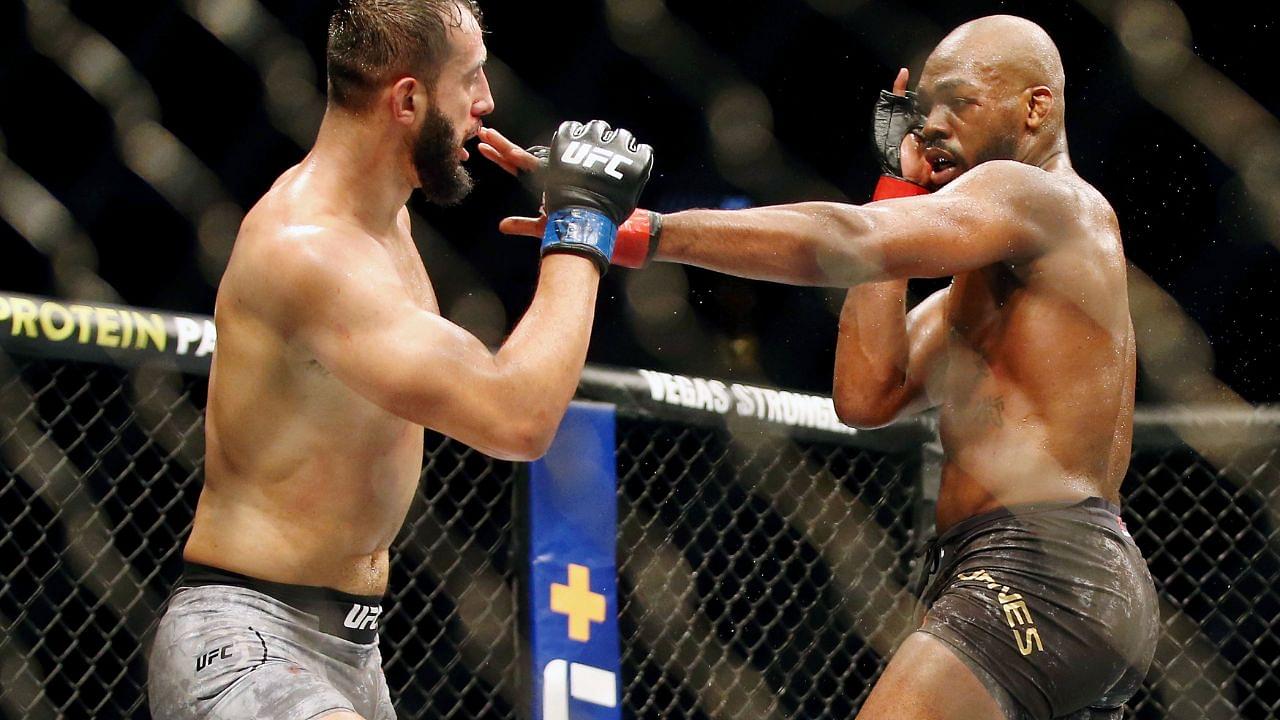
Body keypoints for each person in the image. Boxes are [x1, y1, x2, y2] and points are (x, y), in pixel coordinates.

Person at [488, 15, 1158, 720]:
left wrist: (649, 231)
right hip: (1067, 586)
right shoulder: (984, 295)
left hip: (1035, 571)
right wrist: (896, 191)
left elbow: (848, 238)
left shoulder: (1042, 196)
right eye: (922, 108)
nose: (931, 125)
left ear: (1035, 108)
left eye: (958, 102)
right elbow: (866, 395)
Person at [146, 1, 652, 717]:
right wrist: (581, 226)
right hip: (251, 638)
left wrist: (577, 214)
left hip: (354, 649)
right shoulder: (310, 250)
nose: (487, 103)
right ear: (409, 98)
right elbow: (517, 418)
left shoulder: (388, 218)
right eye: (470, 80)